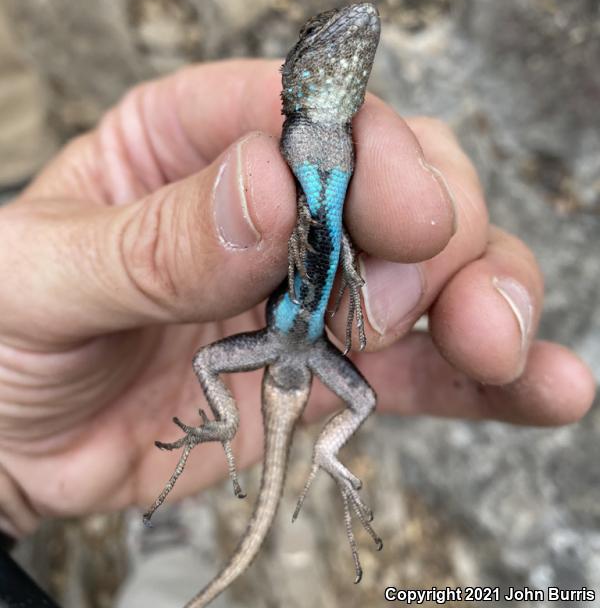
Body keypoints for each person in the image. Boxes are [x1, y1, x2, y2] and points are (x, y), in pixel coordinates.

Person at [0, 60, 593, 539]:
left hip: (302, 342)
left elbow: (343, 225)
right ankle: (227, 422)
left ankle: (327, 455)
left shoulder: (343, 141)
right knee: (211, 360)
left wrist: (358, 274)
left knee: (357, 395)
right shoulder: (297, 132)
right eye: (320, 38)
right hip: (287, 332)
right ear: (302, 70)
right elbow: (299, 215)